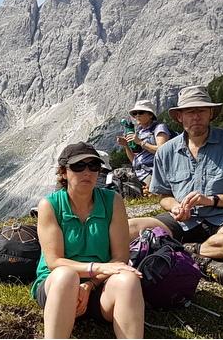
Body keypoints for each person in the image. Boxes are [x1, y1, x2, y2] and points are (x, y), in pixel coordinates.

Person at [127, 85, 223, 285]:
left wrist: (211, 200)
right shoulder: (166, 151)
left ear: (210, 114)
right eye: (190, 112)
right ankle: (201, 258)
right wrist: (175, 206)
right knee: (129, 228)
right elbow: (163, 196)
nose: (196, 116)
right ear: (179, 117)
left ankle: (183, 252)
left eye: (201, 110)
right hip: (181, 220)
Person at [32, 142, 143, 339]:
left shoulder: (113, 201)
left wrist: (90, 284)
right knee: (66, 276)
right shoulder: (50, 205)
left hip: (99, 287)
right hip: (58, 288)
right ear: (64, 173)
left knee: (128, 280)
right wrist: (98, 268)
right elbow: (54, 262)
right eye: (78, 166)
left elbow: (120, 259)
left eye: (94, 166)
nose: (87, 172)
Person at [116, 99, 171, 191]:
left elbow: (162, 151)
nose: (137, 116)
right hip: (138, 172)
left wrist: (141, 143)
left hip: (153, 172)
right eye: (134, 113)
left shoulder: (159, 128)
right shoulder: (139, 131)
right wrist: (126, 145)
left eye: (140, 112)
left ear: (150, 115)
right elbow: (134, 160)